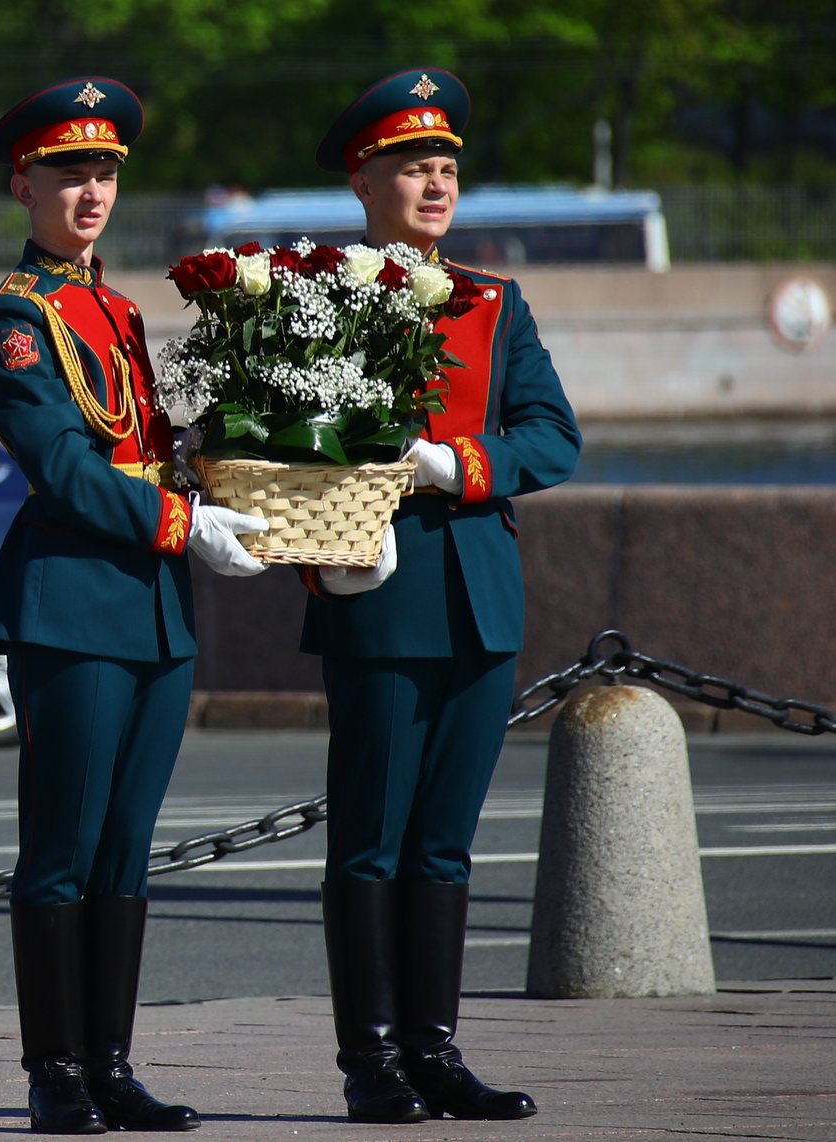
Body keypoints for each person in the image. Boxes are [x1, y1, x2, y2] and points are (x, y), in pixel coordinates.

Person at [0, 76, 271, 1135]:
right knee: (63, 844)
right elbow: (61, 467)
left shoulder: (120, 310)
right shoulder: (16, 317)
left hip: (152, 605)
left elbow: (145, 448)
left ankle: (109, 1063)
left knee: (126, 849)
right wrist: (181, 523)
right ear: (24, 185)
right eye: (68, 173)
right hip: (74, 600)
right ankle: (54, 1070)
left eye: (102, 172)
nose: (90, 191)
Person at [300, 68, 582, 1123]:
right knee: (370, 840)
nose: (434, 185)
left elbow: (552, 435)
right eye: (412, 167)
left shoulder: (492, 300)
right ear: (362, 181)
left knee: (443, 844)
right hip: (375, 591)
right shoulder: (314, 296)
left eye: (446, 169)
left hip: (479, 596)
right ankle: (370, 1058)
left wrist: (460, 463)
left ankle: (434, 1049)